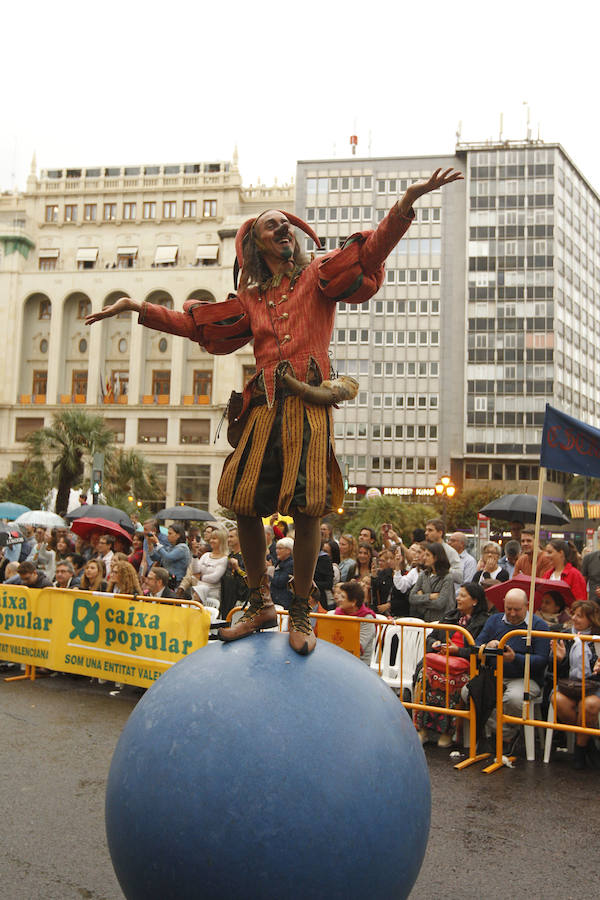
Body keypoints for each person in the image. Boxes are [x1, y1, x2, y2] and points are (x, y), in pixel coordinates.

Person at [87, 168, 462, 654]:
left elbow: (370, 251)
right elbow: (196, 325)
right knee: (242, 499)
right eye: (271, 225)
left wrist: (407, 203)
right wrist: (138, 307)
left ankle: (301, 609)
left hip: (307, 404)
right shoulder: (250, 299)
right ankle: (261, 599)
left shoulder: (318, 276)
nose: (283, 228)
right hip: (262, 405)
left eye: (285, 223)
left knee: (308, 507)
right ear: (257, 245)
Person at [414, 582, 489, 747]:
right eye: (458, 595)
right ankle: (423, 730)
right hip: (440, 661)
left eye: (463, 596)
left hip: (467, 667)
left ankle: (448, 731)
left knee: (452, 682)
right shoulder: (450, 615)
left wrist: (457, 651)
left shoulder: (484, 622)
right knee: (424, 676)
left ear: (475, 601)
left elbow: (478, 650)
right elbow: (430, 638)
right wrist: (435, 644)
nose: (458, 598)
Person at [474, 588, 550, 743]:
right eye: (509, 609)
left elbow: (542, 660)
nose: (513, 613)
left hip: (525, 677)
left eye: (517, 609)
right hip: (494, 675)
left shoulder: (539, 625)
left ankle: (505, 737)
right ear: (503, 605)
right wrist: (488, 645)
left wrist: (516, 658)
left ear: (527, 606)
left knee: (514, 699)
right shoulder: (494, 620)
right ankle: (496, 733)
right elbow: (476, 645)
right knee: (469, 692)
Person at [551, 600, 600, 769]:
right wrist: (561, 659)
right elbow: (554, 669)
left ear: (591, 619)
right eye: (574, 614)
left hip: (594, 686)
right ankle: (588, 743)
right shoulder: (565, 635)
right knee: (557, 700)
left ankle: (579, 749)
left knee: (590, 705)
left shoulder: (597, 637)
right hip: (569, 685)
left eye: (580, 616)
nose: (575, 618)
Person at [409, 542, 455, 622]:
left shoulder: (447, 577)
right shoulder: (424, 575)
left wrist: (421, 599)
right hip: (426, 620)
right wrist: (430, 596)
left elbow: (439, 603)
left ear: (436, 557)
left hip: (442, 623)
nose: (424, 558)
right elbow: (412, 598)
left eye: (427, 555)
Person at [334, 580, 377, 663]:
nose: (339, 599)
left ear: (353, 602)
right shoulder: (337, 614)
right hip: (338, 659)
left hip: (359, 663)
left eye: (343, 597)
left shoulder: (367, 619)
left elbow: (358, 647)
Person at [191, 528, 229, 609]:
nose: (211, 541)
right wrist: (194, 555)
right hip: (198, 593)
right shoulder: (206, 555)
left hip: (212, 596)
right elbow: (195, 570)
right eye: (211, 538)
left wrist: (200, 577)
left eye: (214, 538)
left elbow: (215, 578)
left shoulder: (224, 559)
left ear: (221, 541)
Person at [147, 523, 192, 590]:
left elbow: (168, 557)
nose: (168, 536)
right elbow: (156, 558)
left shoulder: (182, 548)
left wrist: (157, 543)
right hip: (168, 582)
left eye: (170, 534)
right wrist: (150, 544)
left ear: (178, 535)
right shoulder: (170, 548)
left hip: (177, 583)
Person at [219, 528, 248, 620]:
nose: (228, 539)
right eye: (228, 537)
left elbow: (247, 577)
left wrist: (237, 568)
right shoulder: (230, 555)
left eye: (231, 537)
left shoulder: (245, 556)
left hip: (237, 596)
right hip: (226, 594)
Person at [424, 519, 463, 584]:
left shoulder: (450, 551)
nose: (426, 533)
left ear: (440, 533)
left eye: (430, 530)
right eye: (426, 530)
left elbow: (459, 577)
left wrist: (443, 567)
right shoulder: (424, 548)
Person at [269, 537, 295, 609]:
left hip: (284, 602)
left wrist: (271, 570)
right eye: (276, 548)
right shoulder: (279, 562)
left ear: (288, 550)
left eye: (280, 548)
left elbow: (279, 582)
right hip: (275, 599)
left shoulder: (291, 564)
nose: (277, 551)